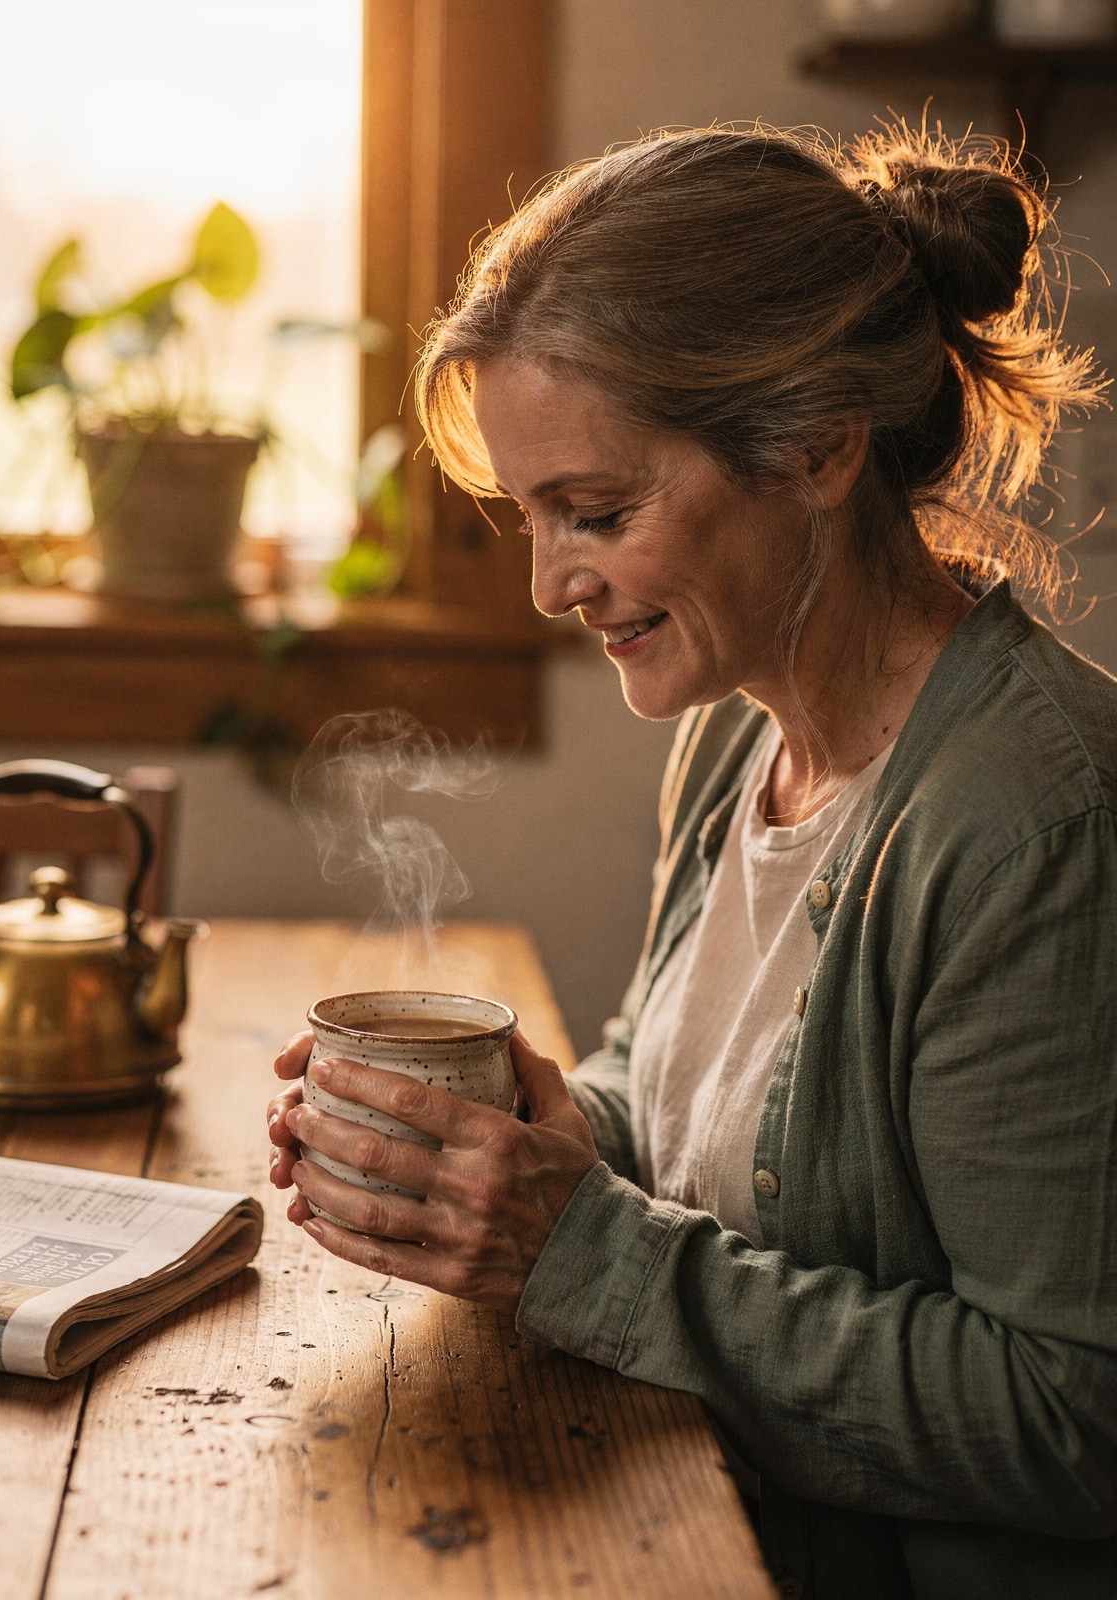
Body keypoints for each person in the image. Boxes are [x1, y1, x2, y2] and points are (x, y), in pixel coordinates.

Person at [267, 123, 1116, 1599]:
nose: (551, 584)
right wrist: (536, 1132)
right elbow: (698, 1115)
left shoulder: (1035, 830)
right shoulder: (741, 732)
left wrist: (581, 1253)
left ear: (817, 447)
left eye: (597, 514)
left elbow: (1073, 1418)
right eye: (531, 520)